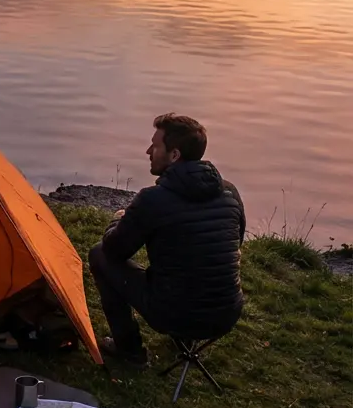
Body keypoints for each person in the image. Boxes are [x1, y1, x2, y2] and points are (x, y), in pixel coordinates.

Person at [88, 114, 245, 367]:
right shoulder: (229, 191)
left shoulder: (153, 199)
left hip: (173, 314)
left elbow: (114, 251)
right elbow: (236, 243)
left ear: (174, 155)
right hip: (226, 314)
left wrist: (118, 220)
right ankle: (185, 337)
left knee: (99, 255)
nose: (148, 151)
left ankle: (130, 351)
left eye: (155, 146)